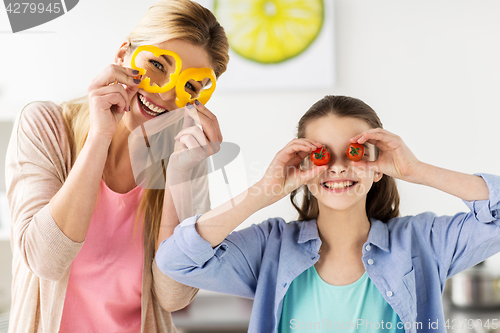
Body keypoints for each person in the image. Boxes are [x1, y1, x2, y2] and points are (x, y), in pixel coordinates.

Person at [156, 95, 500, 333]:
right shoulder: (270, 248)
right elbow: (175, 261)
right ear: (302, 167)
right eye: (322, 156)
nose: (337, 168)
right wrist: (264, 191)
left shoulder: (422, 243)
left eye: (355, 153)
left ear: (378, 167)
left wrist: (415, 170)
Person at [5, 0, 229, 332]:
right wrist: (99, 137)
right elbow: (45, 260)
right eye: (157, 64)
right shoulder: (45, 125)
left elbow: (175, 297)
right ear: (124, 53)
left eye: (188, 86)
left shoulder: (185, 158)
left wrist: (180, 175)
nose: (166, 92)